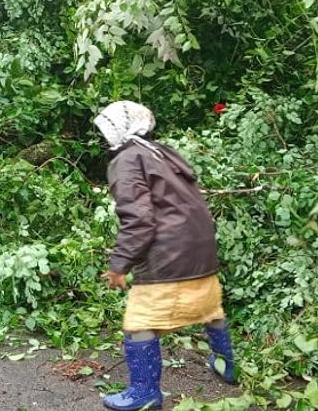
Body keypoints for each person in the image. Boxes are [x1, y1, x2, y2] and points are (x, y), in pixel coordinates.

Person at [93, 101, 237, 411]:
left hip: (169, 255)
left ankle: (144, 393)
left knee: (138, 322)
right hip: (201, 248)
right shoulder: (162, 153)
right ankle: (227, 365)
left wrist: (119, 265)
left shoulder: (127, 160)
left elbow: (139, 220)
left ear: (117, 129)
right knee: (209, 307)